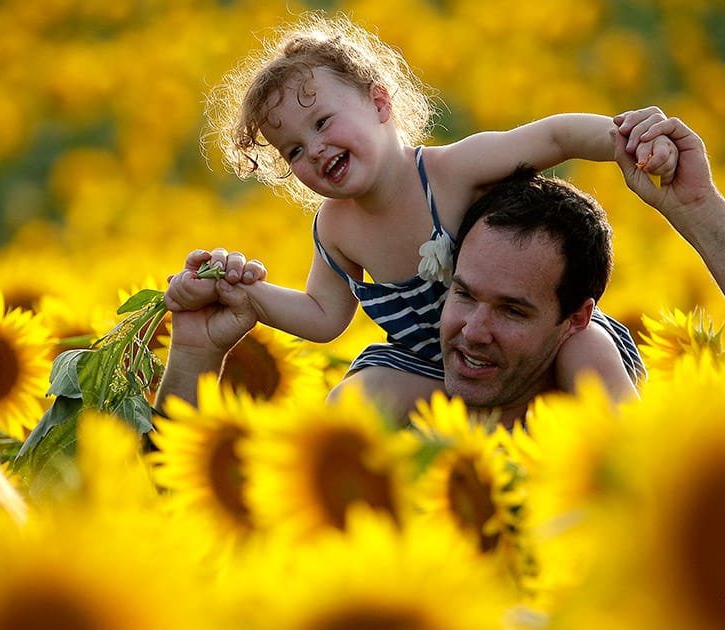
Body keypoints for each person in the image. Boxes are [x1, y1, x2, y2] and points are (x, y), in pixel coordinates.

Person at [157, 111, 725, 426]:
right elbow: (205, 531)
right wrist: (192, 354)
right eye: (461, 292)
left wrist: (696, 206)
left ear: (575, 317)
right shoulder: (388, 416)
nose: (471, 330)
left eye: (515, 309)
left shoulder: (601, 406)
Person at [166, 11, 676, 420]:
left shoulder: (451, 171)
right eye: (293, 150)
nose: (315, 150)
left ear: (380, 103)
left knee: (586, 349)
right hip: (430, 366)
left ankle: (631, 455)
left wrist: (629, 139)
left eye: (323, 122)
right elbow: (322, 318)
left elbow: (555, 137)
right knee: (351, 403)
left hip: (532, 346)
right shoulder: (335, 227)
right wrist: (245, 292)